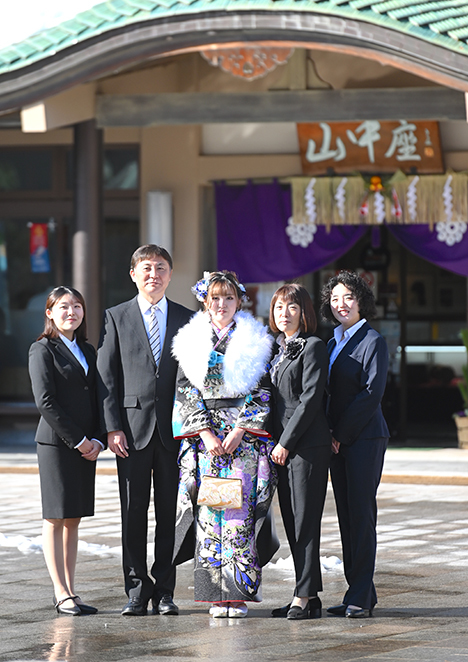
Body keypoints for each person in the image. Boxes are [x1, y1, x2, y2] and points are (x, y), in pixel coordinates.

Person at [171, 271, 278, 618]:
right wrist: (204, 432)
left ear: (239, 301)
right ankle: (216, 596)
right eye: (215, 298)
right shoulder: (191, 341)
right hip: (207, 442)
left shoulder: (255, 339)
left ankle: (239, 594)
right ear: (205, 301)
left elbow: (263, 391)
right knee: (210, 513)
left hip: (241, 442)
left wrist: (240, 431)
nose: (221, 305)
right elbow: (186, 391)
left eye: (228, 298)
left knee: (238, 515)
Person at [97, 245, 193, 616]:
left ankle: (165, 589)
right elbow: (107, 378)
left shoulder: (187, 318)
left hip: (174, 433)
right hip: (131, 432)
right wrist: (112, 428)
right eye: (147, 268)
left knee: (171, 514)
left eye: (161, 268)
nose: (154, 274)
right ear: (133, 274)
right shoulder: (115, 317)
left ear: (170, 274)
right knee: (132, 512)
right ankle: (136, 589)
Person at [28, 286, 104, 616]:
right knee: (55, 517)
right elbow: (46, 401)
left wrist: (98, 439)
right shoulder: (42, 349)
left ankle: (72, 590)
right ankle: (60, 593)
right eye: (63, 307)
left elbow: (99, 396)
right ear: (50, 312)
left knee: (73, 519)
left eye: (76, 306)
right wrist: (79, 440)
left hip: (87, 445)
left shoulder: (88, 349)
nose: (71, 312)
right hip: (58, 445)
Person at [321, 270, 389, 619]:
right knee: (347, 517)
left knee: (361, 516)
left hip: (363, 438)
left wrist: (339, 434)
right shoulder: (333, 343)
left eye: (347, 297)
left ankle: (360, 594)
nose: (341, 304)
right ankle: (359, 592)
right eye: (335, 298)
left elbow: (370, 394)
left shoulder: (372, 341)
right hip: (338, 442)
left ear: (361, 300)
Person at [268, 284, 331, 620]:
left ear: (304, 312)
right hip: (281, 447)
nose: (284, 313)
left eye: (292, 307)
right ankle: (308, 594)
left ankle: (303, 596)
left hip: (305, 446)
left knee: (306, 520)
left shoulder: (313, 347)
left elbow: (310, 400)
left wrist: (285, 443)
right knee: (292, 521)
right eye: (279, 307)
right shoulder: (277, 349)